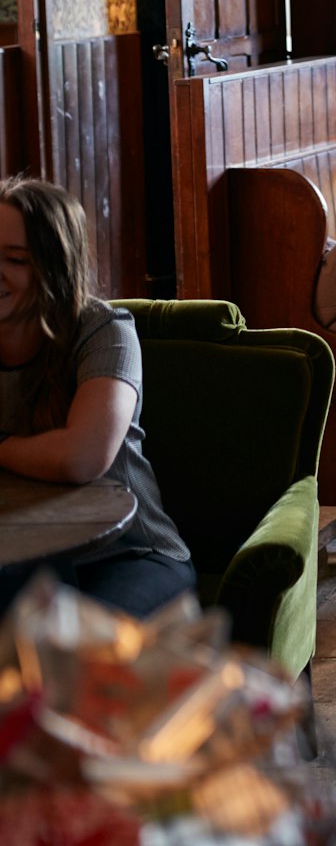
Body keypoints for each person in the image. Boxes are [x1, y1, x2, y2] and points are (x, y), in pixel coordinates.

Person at [0, 178, 193, 617]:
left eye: (14, 259)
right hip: (19, 558)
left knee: (56, 644)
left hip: (130, 556)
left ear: (53, 266)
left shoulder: (104, 330)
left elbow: (83, 456)